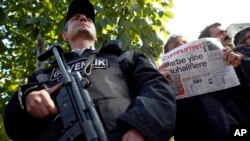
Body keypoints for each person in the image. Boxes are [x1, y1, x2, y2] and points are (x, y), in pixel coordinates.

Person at [3, 0, 176, 141]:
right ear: (65, 35)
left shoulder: (125, 58)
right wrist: (27, 101)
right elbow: (15, 126)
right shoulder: (42, 75)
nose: (83, 19)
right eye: (76, 18)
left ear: (96, 34)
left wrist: (141, 128)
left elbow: (157, 87)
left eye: (88, 19)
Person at [170, 23, 250, 141]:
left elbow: (244, 93)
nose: (182, 45)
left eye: (186, 43)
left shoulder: (223, 65)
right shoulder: (167, 87)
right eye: (175, 45)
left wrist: (236, 68)